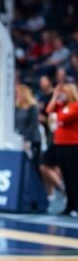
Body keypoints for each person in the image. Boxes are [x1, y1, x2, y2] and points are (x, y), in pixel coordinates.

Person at [46, 83, 78, 217]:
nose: (62, 94)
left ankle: (76, 206)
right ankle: (69, 205)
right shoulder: (61, 106)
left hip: (73, 145)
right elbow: (48, 110)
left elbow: (63, 118)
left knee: (74, 177)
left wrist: (56, 116)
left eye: (64, 92)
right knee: (65, 175)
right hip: (61, 144)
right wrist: (54, 96)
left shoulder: (75, 106)